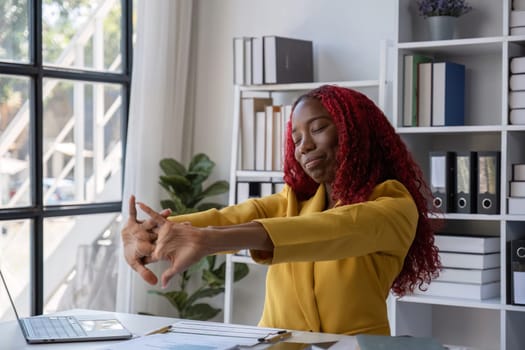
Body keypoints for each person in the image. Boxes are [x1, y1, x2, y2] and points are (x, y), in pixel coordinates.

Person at [121, 85, 441, 336]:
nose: (304, 146)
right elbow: (229, 217)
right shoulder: (294, 202)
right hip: (276, 343)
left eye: (318, 129)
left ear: (355, 133)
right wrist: (152, 235)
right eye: (296, 138)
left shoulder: (394, 207)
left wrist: (206, 240)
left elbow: (330, 229)